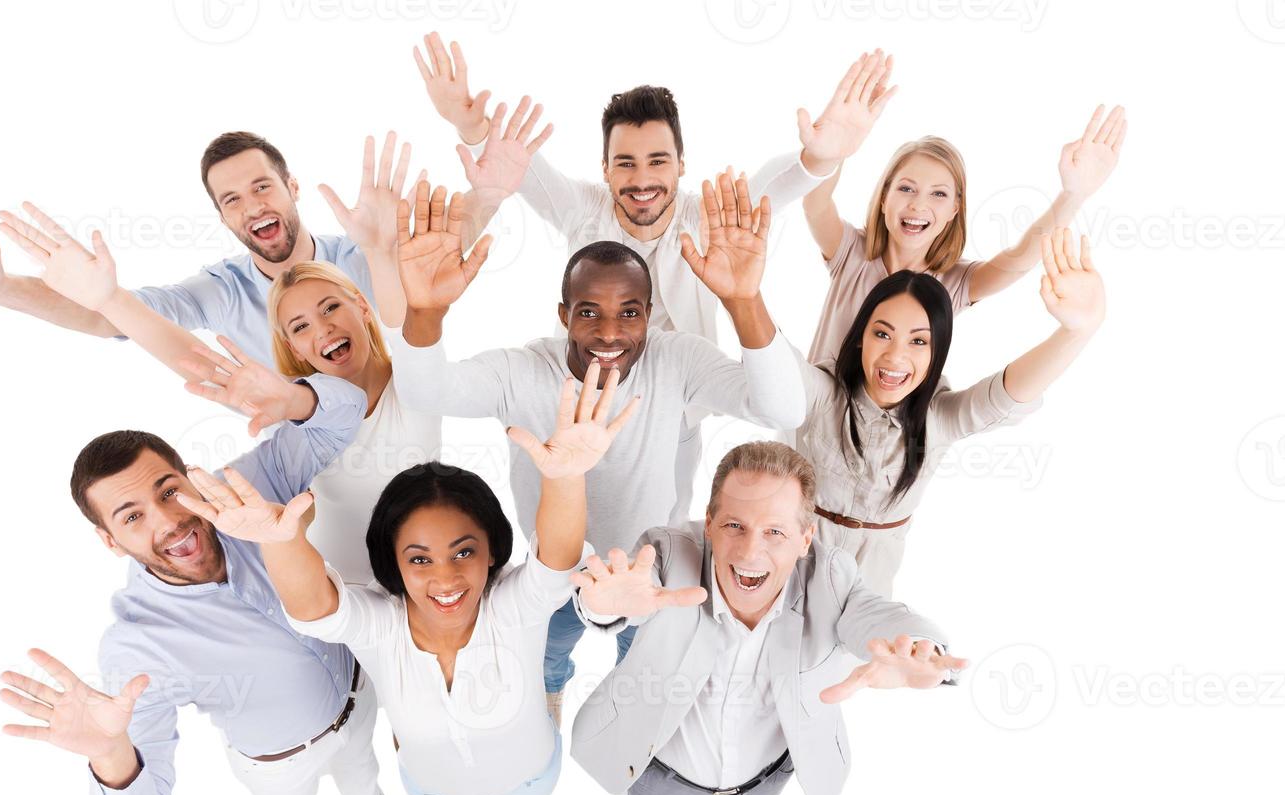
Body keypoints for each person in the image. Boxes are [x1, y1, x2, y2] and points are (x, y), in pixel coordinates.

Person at [174, 361, 639, 795]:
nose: (444, 578)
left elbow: (556, 562)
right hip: (436, 788)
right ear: (393, 565)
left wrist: (567, 475)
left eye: (463, 551)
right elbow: (316, 609)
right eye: (419, 559)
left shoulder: (514, 608)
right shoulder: (379, 623)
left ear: (492, 551)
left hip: (529, 773)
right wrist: (279, 542)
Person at [417, 36, 895, 527]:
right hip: (589, 393)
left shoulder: (706, 216)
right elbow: (521, 169)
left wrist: (819, 160)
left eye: (658, 161)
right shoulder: (583, 208)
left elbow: (772, 187)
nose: (642, 179)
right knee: (564, 517)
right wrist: (471, 125)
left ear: (681, 165)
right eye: (625, 163)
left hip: (677, 406)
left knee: (659, 526)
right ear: (605, 170)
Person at [0, 376, 424, 795]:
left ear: (189, 475)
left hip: (358, 703)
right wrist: (110, 756)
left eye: (169, 491)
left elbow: (345, 413)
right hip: (277, 763)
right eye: (132, 517)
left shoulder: (246, 486)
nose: (170, 520)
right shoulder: (136, 648)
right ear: (109, 540)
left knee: (364, 774)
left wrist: (296, 400)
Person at [386, 178, 807, 722]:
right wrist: (424, 311)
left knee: (639, 677)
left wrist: (744, 301)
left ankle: (628, 736)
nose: (610, 331)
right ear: (564, 315)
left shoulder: (676, 360)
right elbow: (426, 390)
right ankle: (548, 702)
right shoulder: (524, 370)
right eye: (589, 312)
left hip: (646, 577)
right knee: (546, 659)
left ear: (649, 317)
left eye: (629, 313)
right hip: (554, 574)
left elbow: (782, 410)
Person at [567, 440, 966, 795]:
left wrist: (920, 650)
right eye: (734, 525)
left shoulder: (831, 576)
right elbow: (617, 596)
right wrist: (604, 606)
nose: (751, 551)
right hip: (660, 773)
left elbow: (881, 617)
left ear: (804, 538)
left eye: (775, 531)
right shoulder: (670, 552)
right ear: (710, 521)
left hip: (760, 781)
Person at [0, 203, 440, 585]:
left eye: (331, 307)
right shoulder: (291, 411)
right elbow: (192, 359)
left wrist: (382, 251)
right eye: (300, 327)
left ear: (362, 307)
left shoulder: (413, 364)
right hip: (351, 602)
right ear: (291, 347)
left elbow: (407, 314)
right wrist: (110, 299)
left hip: (440, 578)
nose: (323, 328)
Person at [743, 228, 1108, 596]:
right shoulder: (825, 394)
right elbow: (776, 363)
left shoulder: (939, 419)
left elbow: (1005, 395)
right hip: (782, 575)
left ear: (937, 354)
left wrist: (1076, 332)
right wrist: (743, 296)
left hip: (864, 597)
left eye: (918, 341)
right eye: (882, 334)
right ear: (860, 336)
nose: (896, 356)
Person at [0, 130, 418, 364]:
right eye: (232, 199)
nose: (253, 207)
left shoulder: (363, 254)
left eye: (262, 187)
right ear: (223, 216)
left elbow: (447, 256)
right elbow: (113, 318)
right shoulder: (221, 291)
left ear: (291, 188)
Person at [800, 105, 1125, 362]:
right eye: (906, 188)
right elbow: (816, 204)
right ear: (884, 198)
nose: (918, 205)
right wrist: (834, 152)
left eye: (938, 194)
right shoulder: (851, 254)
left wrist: (1074, 194)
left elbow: (1020, 259)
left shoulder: (954, 283)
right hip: (813, 436)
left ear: (955, 209)